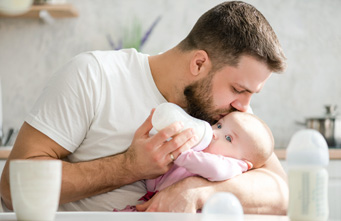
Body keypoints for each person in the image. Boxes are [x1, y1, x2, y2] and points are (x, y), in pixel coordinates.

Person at [0, 1, 288, 214]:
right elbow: (13, 188)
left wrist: (197, 191)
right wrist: (128, 167)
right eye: (238, 90)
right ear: (199, 63)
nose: (244, 107)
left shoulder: (228, 115)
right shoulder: (95, 76)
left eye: (251, 94)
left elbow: (280, 190)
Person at [114, 111, 274, 212]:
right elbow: (153, 184)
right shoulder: (197, 152)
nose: (214, 133)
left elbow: (215, 169)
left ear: (245, 163)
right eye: (219, 125)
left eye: (228, 138)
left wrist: (182, 153)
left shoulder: (231, 165)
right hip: (155, 204)